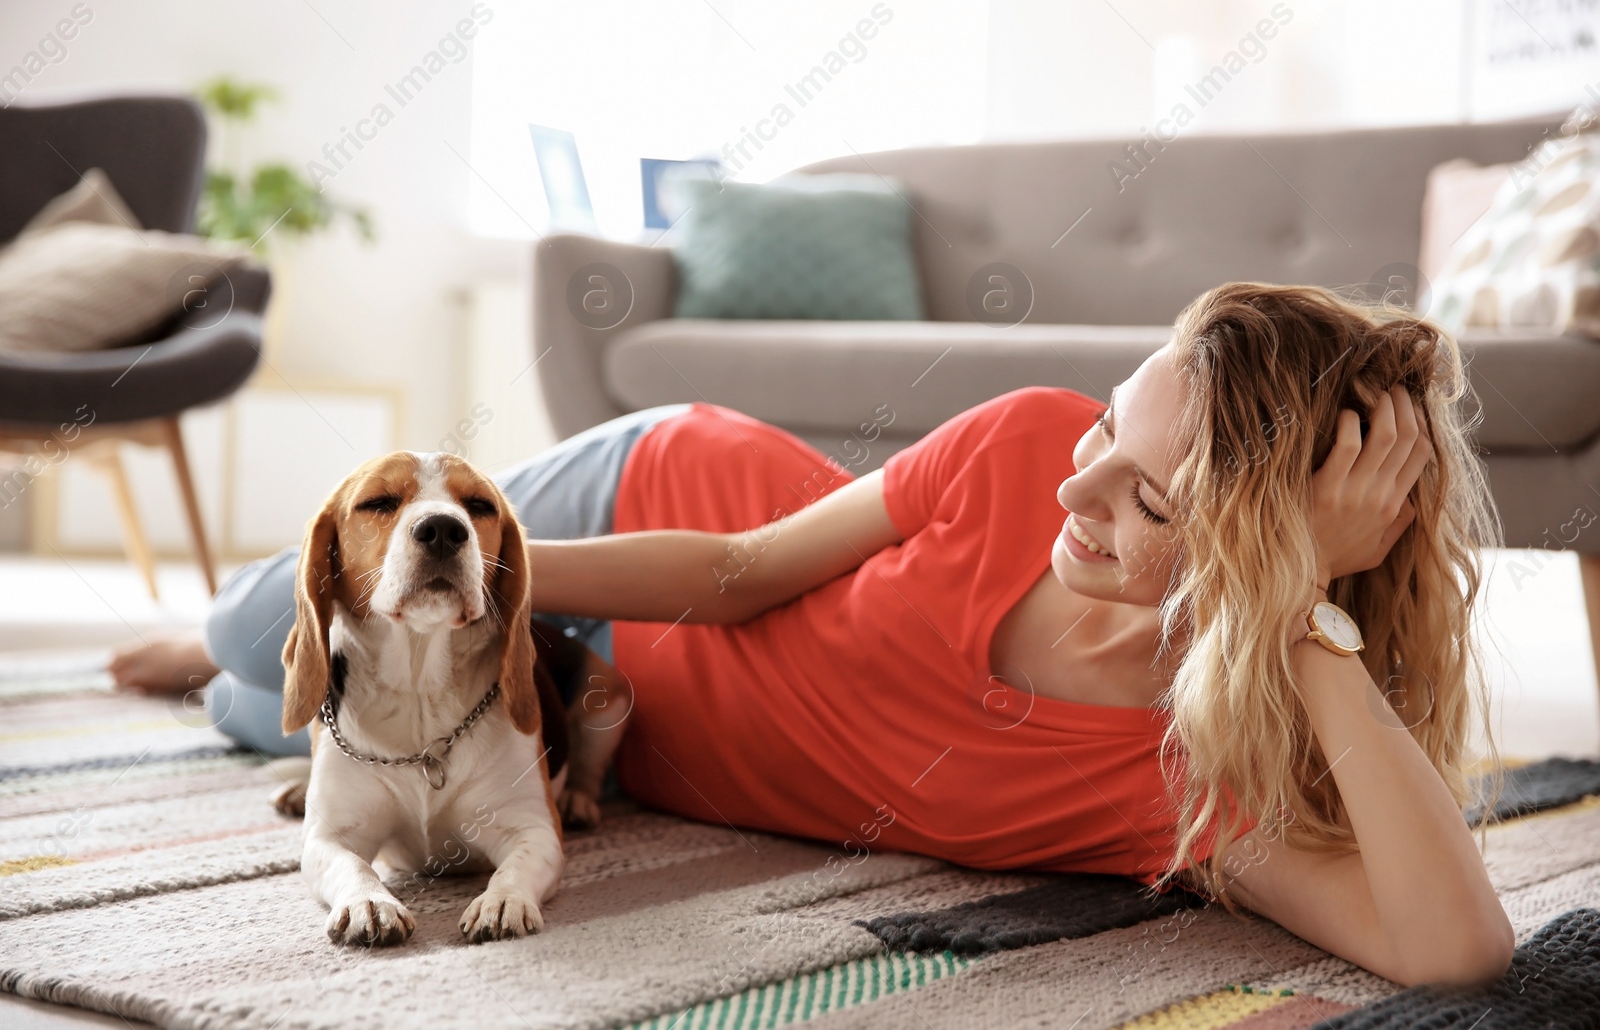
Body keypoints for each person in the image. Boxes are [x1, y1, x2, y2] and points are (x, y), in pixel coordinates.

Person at [111, 281, 1514, 986]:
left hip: (625, 726)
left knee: (265, 719)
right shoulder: (1021, 442)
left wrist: (1307, 620)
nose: (1072, 486)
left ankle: (244, 678)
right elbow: (737, 568)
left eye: (1145, 497)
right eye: (1102, 423)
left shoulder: (1205, 783)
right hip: (659, 505)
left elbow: (1459, 955)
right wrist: (487, 577)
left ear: (1267, 566)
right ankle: (233, 632)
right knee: (271, 636)